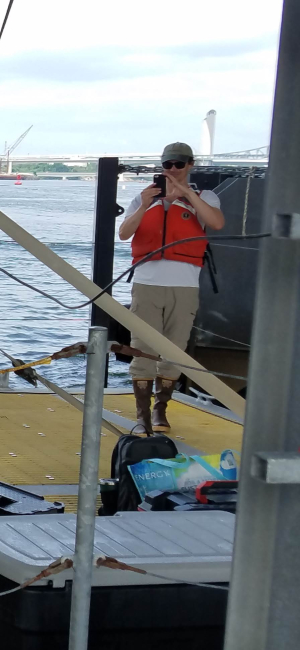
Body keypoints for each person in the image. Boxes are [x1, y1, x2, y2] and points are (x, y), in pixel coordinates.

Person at [117, 141, 224, 435]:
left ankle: (160, 408)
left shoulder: (205, 197)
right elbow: (124, 233)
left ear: (191, 165)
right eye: (168, 165)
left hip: (184, 286)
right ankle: (142, 416)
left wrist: (187, 194)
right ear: (161, 167)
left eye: (179, 164)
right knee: (143, 349)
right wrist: (149, 203)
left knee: (174, 350)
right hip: (147, 285)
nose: (173, 170)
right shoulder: (143, 199)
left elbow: (215, 222)